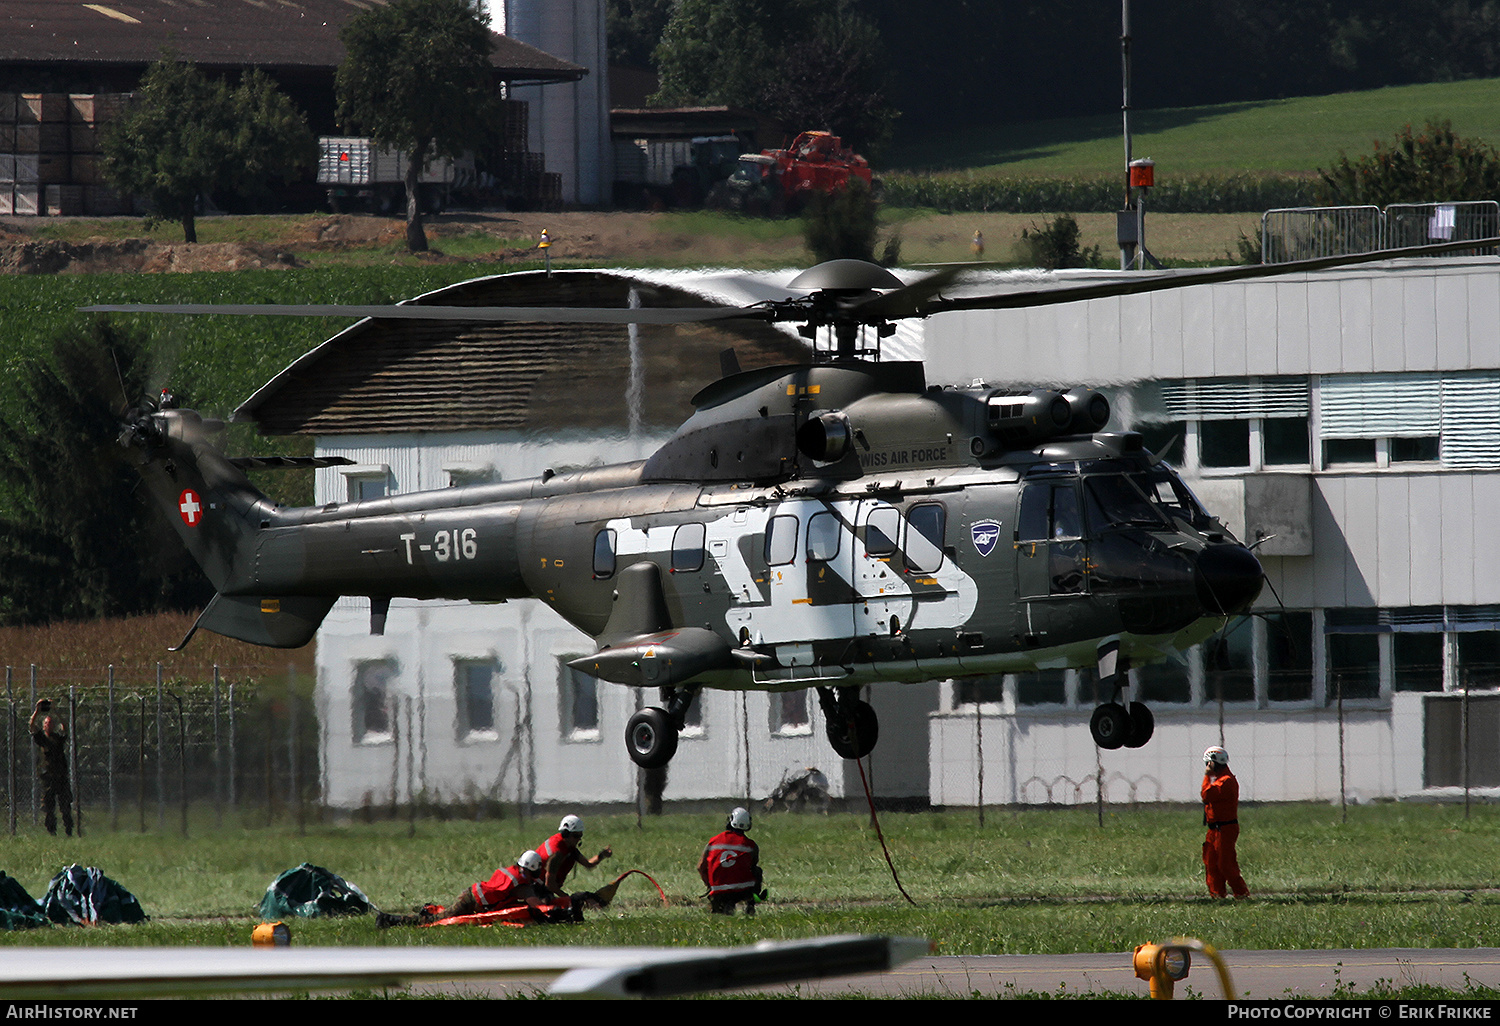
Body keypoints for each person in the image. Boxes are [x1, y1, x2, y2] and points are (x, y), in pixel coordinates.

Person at [377, 850, 566, 928]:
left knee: (444, 915)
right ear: (533, 869)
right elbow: (537, 906)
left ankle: (425, 909)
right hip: (473, 901)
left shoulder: (512, 872)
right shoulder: (522, 887)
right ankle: (390, 920)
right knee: (437, 921)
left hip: (473, 894)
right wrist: (551, 904)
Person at [1201, 745, 1249, 899]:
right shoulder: (1220, 780)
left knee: (1225, 863)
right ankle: (1217, 894)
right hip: (1214, 829)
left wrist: (1207, 776)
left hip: (1225, 828)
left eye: (1208, 763)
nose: (1207, 767)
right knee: (1211, 862)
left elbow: (1206, 795)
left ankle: (1241, 893)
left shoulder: (1226, 781)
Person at [699, 807, 763, 915]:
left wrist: (710, 885)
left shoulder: (714, 841)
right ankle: (750, 906)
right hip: (742, 891)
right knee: (757, 871)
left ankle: (717, 905)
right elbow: (752, 866)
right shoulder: (751, 845)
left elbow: (700, 867)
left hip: (718, 891)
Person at [535, 814, 612, 898]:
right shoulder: (557, 853)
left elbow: (588, 864)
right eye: (576, 836)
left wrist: (602, 855)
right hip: (536, 889)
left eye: (580, 836)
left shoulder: (569, 847)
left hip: (545, 889)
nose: (579, 839)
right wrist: (567, 898)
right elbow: (549, 884)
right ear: (566, 834)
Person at [29, 699, 72, 837]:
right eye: (47, 723)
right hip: (48, 778)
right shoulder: (42, 738)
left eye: (51, 723)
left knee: (65, 806)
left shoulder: (57, 738)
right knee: (49, 808)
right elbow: (31, 726)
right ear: (44, 726)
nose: (49, 725)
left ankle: (68, 830)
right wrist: (37, 711)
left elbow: (65, 727)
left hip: (61, 777)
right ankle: (52, 831)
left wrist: (55, 710)